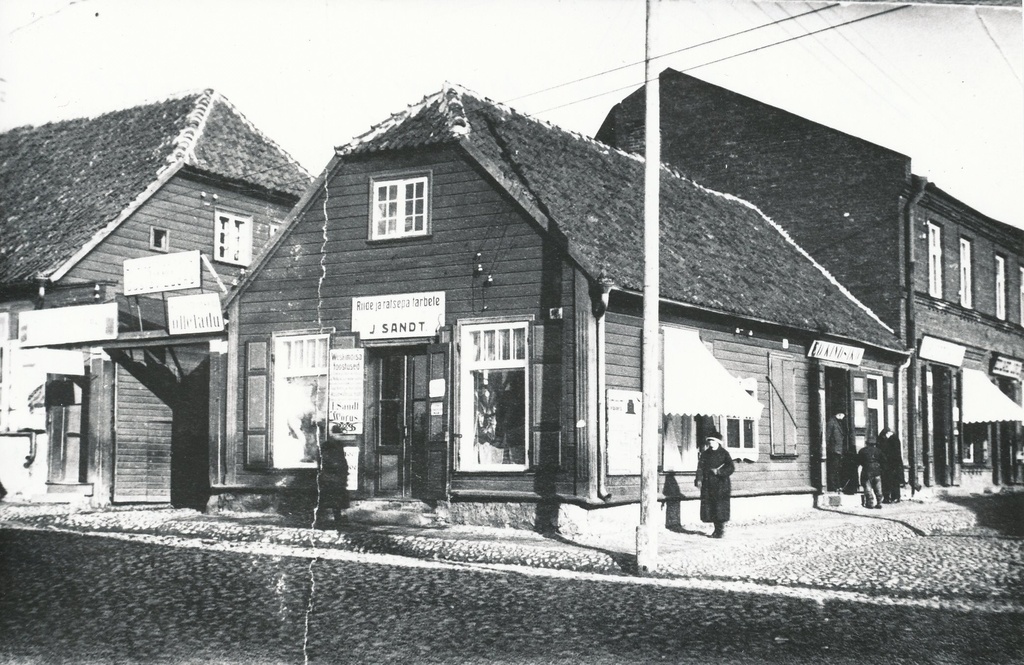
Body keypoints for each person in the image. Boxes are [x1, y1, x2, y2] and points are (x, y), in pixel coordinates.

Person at [694, 429, 735, 538]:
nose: (710, 442)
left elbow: (731, 467)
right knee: (711, 508)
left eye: (712, 440)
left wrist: (719, 472)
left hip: (721, 485)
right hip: (708, 485)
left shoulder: (724, 453)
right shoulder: (705, 454)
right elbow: (700, 468)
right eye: (709, 440)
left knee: (720, 508)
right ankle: (716, 530)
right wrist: (698, 479)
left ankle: (720, 530)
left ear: (718, 442)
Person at [878, 427, 904, 503]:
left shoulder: (892, 440)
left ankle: (892, 497)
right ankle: (895, 497)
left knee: (890, 482)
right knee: (894, 482)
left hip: (892, 465)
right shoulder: (894, 439)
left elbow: (890, 453)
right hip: (895, 465)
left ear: (888, 433)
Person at [857, 438, 884, 509]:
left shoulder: (862, 451)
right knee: (878, 487)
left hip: (867, 470)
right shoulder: (878, 451)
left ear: (866, 443)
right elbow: (883, 460)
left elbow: (859, 460)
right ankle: (879, 502)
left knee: (867, 487)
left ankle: (870, 503)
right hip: (877, 470)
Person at [826, 412, 848, 492]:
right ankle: (833, 487)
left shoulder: (837, 422)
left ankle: (837, 486)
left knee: (837, 469)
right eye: (843, 415)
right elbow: (827, 436)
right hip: (834, 450)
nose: (843, 417)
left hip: (838, 450)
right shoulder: (831, 422)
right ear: (839, 414)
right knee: (833, 469)